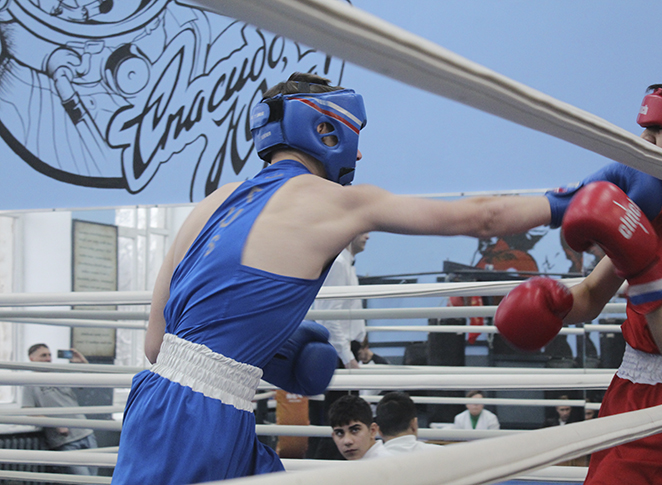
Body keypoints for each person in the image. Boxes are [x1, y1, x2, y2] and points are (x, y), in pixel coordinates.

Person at [112, 70, 580, 484]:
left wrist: (258, 345)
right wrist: (570, 201)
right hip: (202, 417)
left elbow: (156, 345)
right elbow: (483, 217)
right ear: (327, 129)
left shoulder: (214, 201)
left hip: (155, 402)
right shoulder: (337, 202)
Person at [495, 67, 662, 484]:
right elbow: (589, 295)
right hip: (625, 392)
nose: (642, 143)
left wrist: (643, 270)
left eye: (656, 131)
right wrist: (551, 303)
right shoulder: (652, 204)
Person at [22, 344, 98, 476]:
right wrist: (55, 424)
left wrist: (82, 362)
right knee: (84, 480)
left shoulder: (60, 374)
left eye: (49, 355)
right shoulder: (29, 383)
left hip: (86, 433)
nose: (48, 359)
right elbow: (29, 411)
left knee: (94, 480)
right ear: (31, 358)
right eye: (43, 355)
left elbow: (91, 381)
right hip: (65, 441)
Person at [312, 232, 370, 370]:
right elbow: (329, 317)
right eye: (364, 231)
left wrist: (361, 346)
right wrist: (347, 357)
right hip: (339, 350)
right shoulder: (338, 264)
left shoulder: (347, 264)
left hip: (346, 348)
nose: (368, 237)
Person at [329, 394, 391, 460]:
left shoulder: (387, 463)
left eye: (355, 430)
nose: (347, 441)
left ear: (372, 431)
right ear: (333, 437)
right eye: (339, 433)